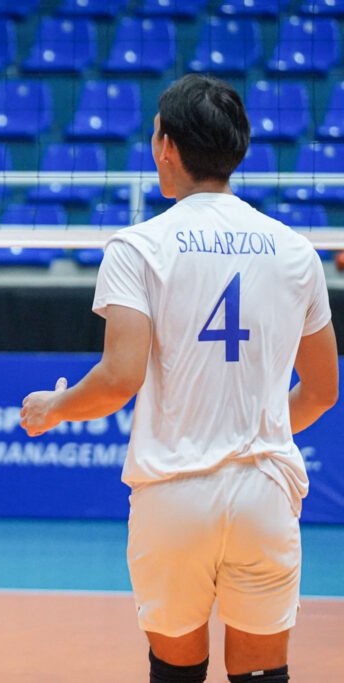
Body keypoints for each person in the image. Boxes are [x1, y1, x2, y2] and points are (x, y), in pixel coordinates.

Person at [20, 74, 338, 683]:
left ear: (166, 145)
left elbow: (118, 380)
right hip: (264, 490)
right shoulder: (297, 252)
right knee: (263, 673)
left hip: (173, 495)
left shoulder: (140, 246)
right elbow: (323, 390)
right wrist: (260, 427)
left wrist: (55, 407)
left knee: (175, 670)